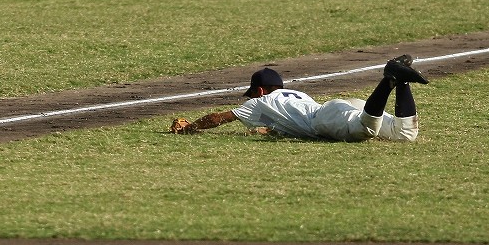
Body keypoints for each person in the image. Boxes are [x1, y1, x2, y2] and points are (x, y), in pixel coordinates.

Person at [171, 54, 428, 142]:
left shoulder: (261, 102)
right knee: (404, 133)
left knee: (365, 130)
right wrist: (264, 132)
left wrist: (190, 128)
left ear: (260, 91)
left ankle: (389, 78)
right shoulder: (294, 96)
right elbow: (281, 126)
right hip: (337, 109)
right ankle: (402, 80)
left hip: (325, 119)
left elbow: (220, 117)